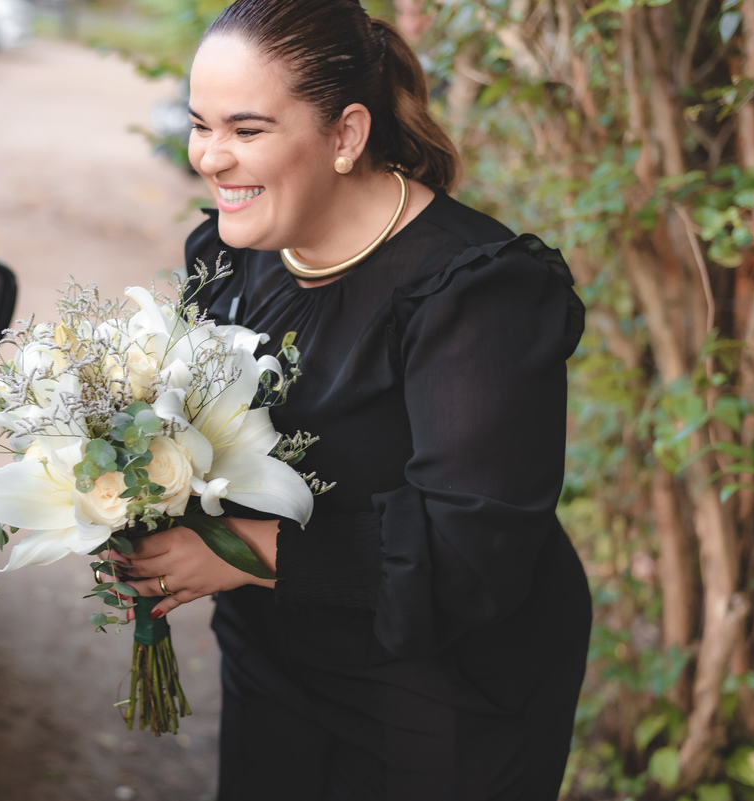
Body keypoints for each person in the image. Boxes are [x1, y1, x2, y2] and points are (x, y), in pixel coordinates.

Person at [120, 1, 592, 799]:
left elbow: (469, 556)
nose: (211, 157)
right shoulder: (234, 258)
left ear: (345, 136)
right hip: (275, 664)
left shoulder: (475, 295)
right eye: (201, 125)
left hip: (440, 698)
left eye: (247, 129)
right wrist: (134, 495)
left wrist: (234, 549)